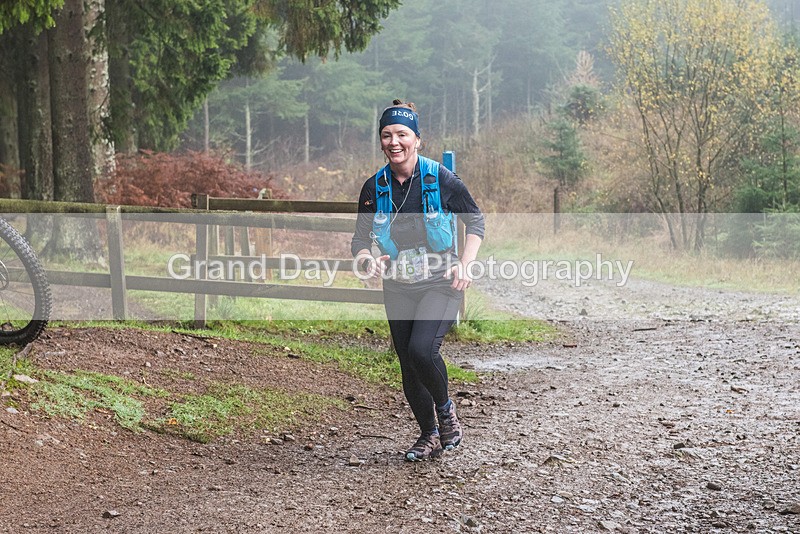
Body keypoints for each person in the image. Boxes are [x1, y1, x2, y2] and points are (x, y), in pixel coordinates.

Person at [351, 99, 485, 461]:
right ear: (381, 141)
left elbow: (475, 221)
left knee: (422, 350)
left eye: (402, 135)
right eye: (386, 135)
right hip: (397, 284)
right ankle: (428, 435)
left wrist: (466, 263)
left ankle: (446, 414)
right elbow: (360, 240)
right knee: (408, 365)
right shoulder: (373, 188)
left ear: (417, 140)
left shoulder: (440, 178)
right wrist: (366, 259)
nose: (394, 142)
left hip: (442, 281)